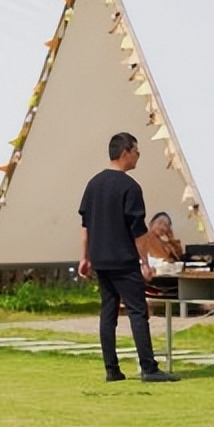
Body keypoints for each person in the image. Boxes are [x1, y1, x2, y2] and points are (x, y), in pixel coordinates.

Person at [78, 132, 181, 383]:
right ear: (125, 152)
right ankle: (148, 367)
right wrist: (144, 262)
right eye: (136, 150)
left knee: (108, 313)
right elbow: (138, 231)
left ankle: (112, 369)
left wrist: (85, 257)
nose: (138, 155)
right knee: (137, 311)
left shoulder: (93, 184)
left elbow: (85, 226)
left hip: (101, 260)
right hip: (123, 260)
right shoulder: (130, 187)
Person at [137, 211, 184, 297]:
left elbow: (179, 256)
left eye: (166, 225)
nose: (162, 227)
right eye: (159, 223)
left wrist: (171, 238)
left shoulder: (167, 243)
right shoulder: (144, 238)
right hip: (151, 277)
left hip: (168, 276)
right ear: (151, 224)